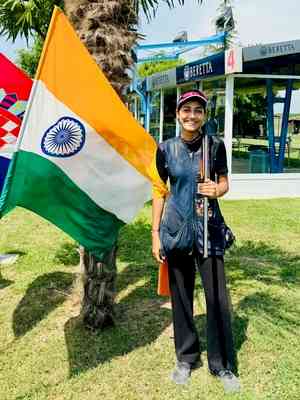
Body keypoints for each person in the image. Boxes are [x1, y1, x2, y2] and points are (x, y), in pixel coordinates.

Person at [151, 89, 240, 393]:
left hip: (209, 226)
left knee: (216, 297)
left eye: (197, 110)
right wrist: (155, 233)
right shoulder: (165, 149)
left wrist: (220, 189)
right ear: (177, 114)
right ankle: (186, 358)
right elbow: (159, 190)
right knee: (181, 296)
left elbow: (226, 181)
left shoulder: (214, 146)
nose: (191, 115)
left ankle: (223, 365)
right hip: (176, 229)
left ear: (204, 115)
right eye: (186, 110)